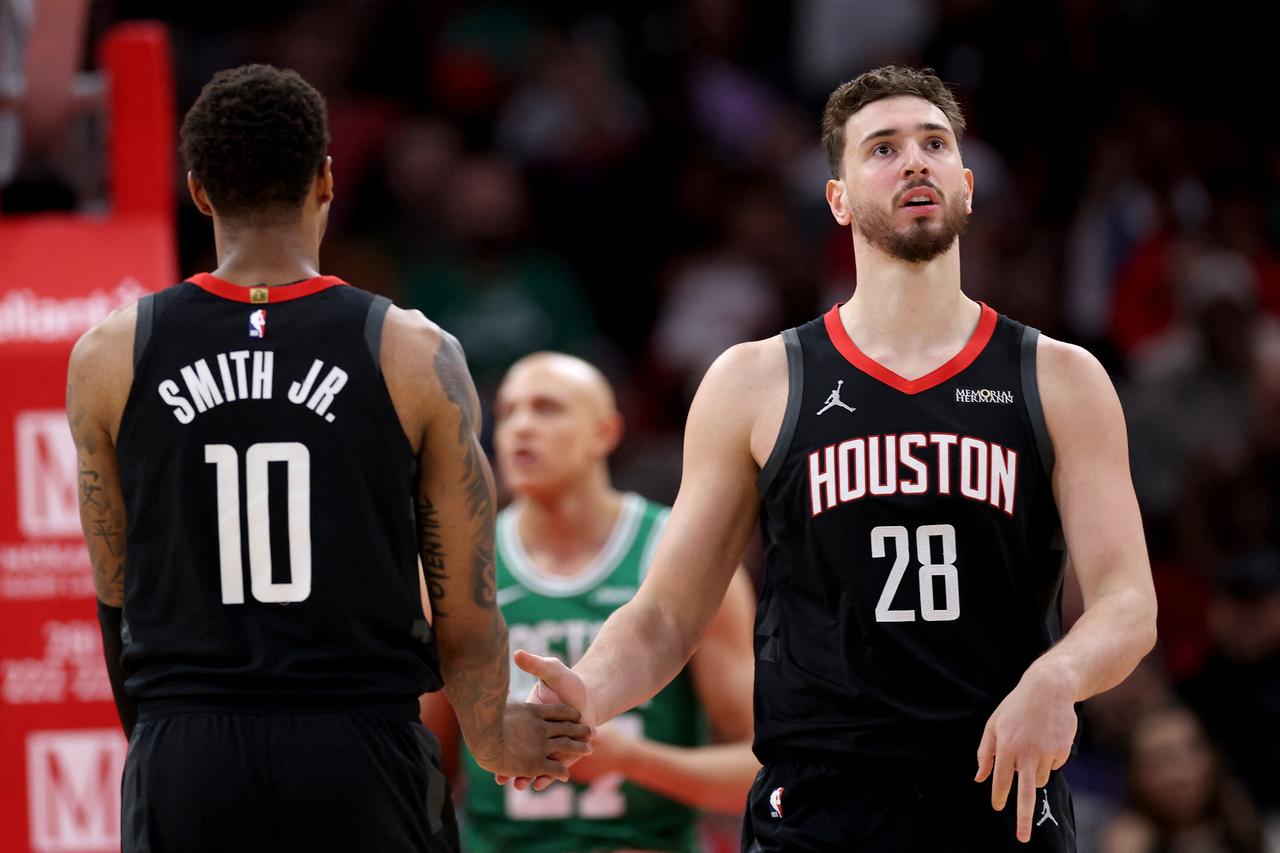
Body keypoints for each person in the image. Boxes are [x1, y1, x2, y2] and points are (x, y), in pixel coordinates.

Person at [511, 65, 1158, 851]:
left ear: (967, 183)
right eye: (883, 148)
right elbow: (667, 613)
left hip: (998, 790)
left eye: (934, 144)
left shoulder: (1059, 377)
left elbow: (1129, 603)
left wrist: (1058, 675)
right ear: (839, 199)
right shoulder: (756, 380)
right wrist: (591, 690)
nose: (915, 161)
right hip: (820, 804)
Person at [65, 64, 588, 853]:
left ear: (199, 191)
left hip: (188, 744)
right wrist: (491, 736)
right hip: (359, 745)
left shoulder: (109, 355)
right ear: (328, 180)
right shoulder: (415, 353)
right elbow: (467, 605)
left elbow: (115, 591)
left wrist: (162, 744)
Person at [422, 352, 759, 852]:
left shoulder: (679, 556)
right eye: (509, 411)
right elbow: (424, 767)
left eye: (547, 408)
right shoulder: (458, 565)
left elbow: (761, 767)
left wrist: (632, 760)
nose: (520, 427)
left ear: (605, 432)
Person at [1099, 705, 1264, 853]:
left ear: (1213, 758)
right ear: (1136, 775)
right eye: (1160, 759)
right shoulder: (1127, 840)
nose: (1176, 773)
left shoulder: (1249, 829)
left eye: (1189, 752)